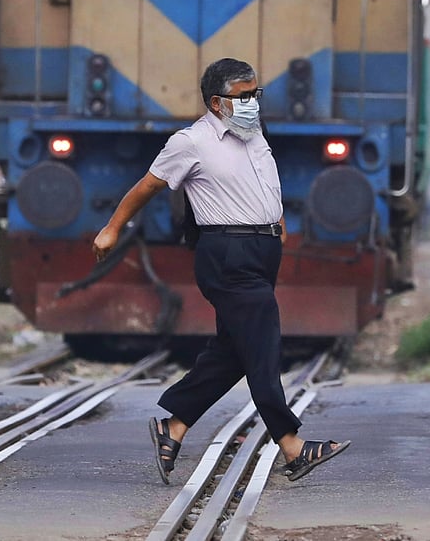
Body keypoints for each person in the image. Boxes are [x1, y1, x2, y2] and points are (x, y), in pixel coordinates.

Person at [92, 58, 350, 484]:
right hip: (227, 253)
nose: (252, 102)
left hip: (261, 251)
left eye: (256, 94)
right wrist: (112, 229)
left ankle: (172, 427)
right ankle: (292, 446)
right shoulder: (190, 142)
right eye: (243, 96)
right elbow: (147, 185)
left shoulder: (253, 135)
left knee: (233, 352)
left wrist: (277, 222)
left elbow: (264, 184)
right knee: (263, 344)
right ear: (216, 103)